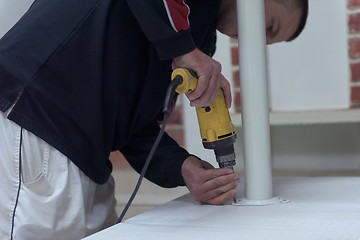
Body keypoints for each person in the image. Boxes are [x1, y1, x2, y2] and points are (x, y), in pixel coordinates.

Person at [0, 0, 308, 239]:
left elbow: (134, 124)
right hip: (35, 118)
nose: (257, 38)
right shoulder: (185, 38)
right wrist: (183, 49)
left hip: (80, 156)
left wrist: (182, 167)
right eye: (270, 27)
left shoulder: (195, 37)